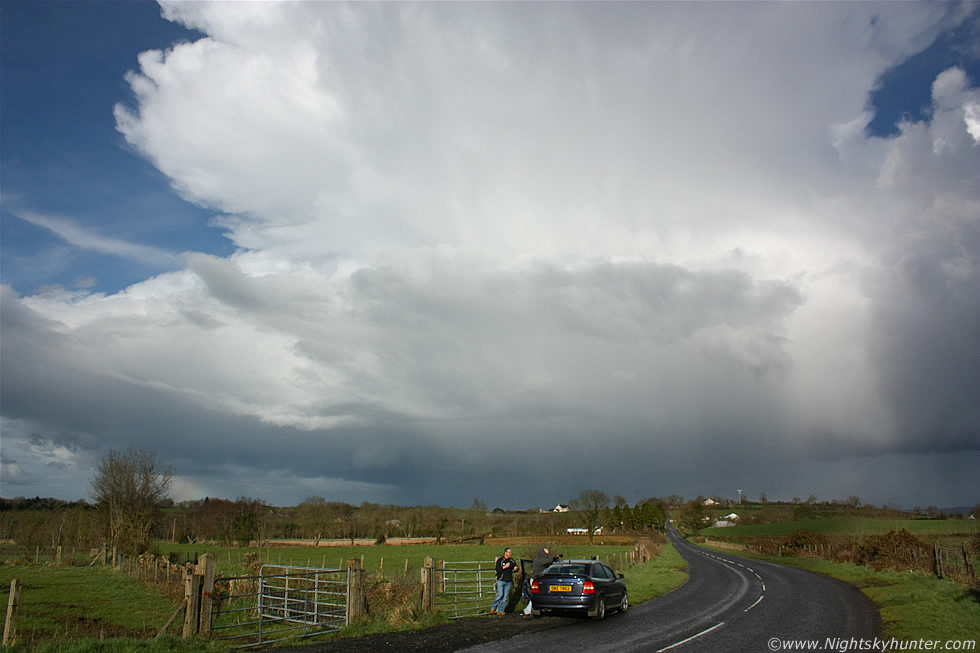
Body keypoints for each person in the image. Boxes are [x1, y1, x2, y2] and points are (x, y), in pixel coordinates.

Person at [522, 546, 553, 615]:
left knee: (535, 596)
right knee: (534, 597)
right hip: (536, 580)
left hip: (536, 579)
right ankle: (527, 610)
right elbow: (549, 561)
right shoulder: (539, 560)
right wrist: (549, 554)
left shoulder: (537, 559)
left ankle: (528, 610)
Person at [490, 547, 518, 615]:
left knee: (505, 597)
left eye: (511, 552)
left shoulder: (512, 560)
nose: (510, 554)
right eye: (509, 552)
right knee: (500, 595)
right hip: (501, 580)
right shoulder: (500, 560)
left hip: (508, 581)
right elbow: (498, 570)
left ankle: (500, 611)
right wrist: (505, 567)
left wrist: (516, 569)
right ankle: (493, 607)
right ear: (505, 553)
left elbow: (515, 566)